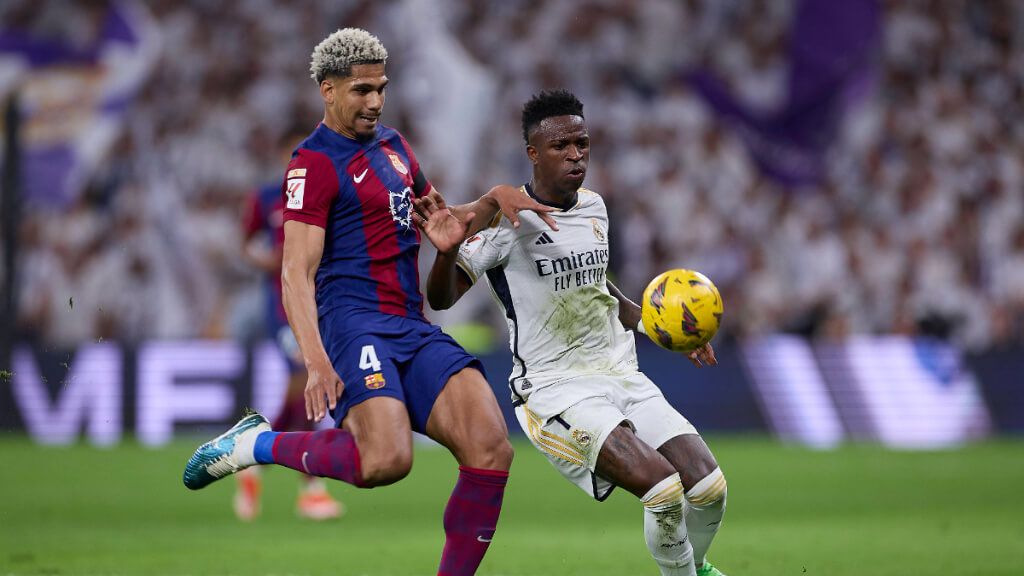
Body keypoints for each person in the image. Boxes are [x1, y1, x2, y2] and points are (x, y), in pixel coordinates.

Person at [183, 28, 557, 575]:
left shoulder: (395, 146)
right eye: (361, 90)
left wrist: (492, 201)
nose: (375, 101)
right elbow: (295, 271)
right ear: (327, 90)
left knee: (490, 446)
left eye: (381, 88)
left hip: (410, 321)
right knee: (386, 461)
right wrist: (315, 359)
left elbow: (440, 220)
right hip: (352, 325)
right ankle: (255, 446)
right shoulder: (312, 164)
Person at [422, 90, 728, 576]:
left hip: (620, 374)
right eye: (561, 145)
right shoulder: (505, 225)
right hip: (555, 389)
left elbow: (601, 291)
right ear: (533, 154)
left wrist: (665, 328)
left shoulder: (595, 208)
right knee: (664, 492)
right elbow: (440, 300)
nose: (575, 154)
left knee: (710, 490)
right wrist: (444, 253)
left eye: (582, 143)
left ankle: (698, 565)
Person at [235, 127, 344, 521]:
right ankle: (311, 487)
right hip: (283, 307)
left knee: (303, 393)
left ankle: (251, 455)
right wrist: (269, 262)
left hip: (323, 303)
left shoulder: (326, 195)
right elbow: (246, 243)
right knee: (307, 381)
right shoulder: (266, 197)